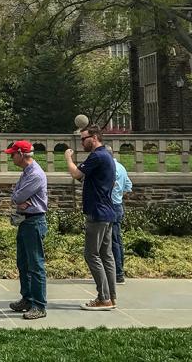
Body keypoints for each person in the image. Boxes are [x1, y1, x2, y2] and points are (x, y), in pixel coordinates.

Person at [65, 125, 117, 311]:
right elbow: (87, 178)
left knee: (91, 255)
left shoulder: (97, 156)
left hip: (97, 213)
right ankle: (111, 297)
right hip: (107, 212)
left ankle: (103, 299)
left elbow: (76, 174)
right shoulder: (107, 156)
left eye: (83, 138)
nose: (81, 142)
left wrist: (68, 158)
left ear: (94, 138)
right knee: (106, 256)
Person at [5, 141, 48, 320]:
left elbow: (18, 196)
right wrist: (17, 197)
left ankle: (39, 305)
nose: (11, 157)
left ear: (22, 154)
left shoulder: (35, 175)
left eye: (13, 154)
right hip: (25, 221)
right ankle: (27, 298)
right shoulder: (26, 172)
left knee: (35, 265)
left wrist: (18, 198)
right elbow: (16, 196)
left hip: (34, 222)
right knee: (23, 263)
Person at [108, 148, 133, 284]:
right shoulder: (121, 167)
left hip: (111, 207)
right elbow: (128, 185)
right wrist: (119, 196)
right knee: (117, 240)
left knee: (113, 242)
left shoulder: (111, 168)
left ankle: (118, 274)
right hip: (118, 205)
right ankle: (118, 272)